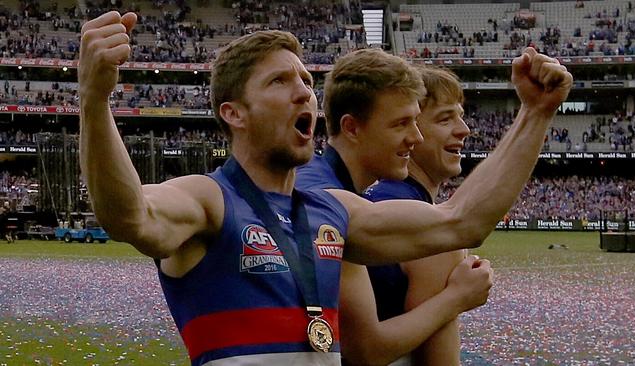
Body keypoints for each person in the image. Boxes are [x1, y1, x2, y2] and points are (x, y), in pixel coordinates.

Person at [78, 11, 572, 366]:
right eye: (278, 82)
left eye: (305, 80)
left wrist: (536, 113)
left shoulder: (330, 209)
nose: (303, 91)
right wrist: (95, 101)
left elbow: (463, 221)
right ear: (235, 113)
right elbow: (131, 216)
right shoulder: (209, 198)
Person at [297, 47, 571, 365]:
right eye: (401, 123)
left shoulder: (323, 182)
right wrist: (455, 298)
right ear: (352, 128)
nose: (415, 137)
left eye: (415, 122)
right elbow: (462, 223)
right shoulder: (326, 201)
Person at [362, 66, 492, 365]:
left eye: (460, 115)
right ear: (410, 129)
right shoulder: (429, 228)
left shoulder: (371, 198)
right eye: (445, 118)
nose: (464, 129)